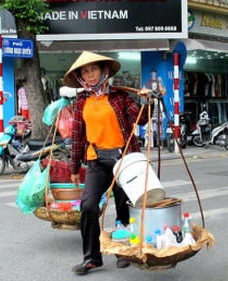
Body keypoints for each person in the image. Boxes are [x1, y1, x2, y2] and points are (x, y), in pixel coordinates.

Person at [65, 51, 154, 276]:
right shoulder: (81, 100)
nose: (90, 74)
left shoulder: (120, 96)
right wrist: (74, 167)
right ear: (80, 77)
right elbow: (77, 136)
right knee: (88, 206)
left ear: (103, 71)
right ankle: (92, 257)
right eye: (85, 71)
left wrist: (147, 100)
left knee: (124, 206)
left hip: (123, 159)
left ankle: (122, 251)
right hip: (96, 160)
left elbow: (142, 118)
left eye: (94, 69)